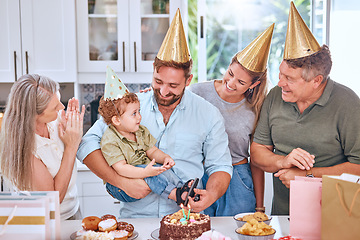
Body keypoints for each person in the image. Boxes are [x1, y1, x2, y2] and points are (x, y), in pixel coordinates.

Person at [77, 9, 232, 218]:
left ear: (188, 80)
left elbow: (220, 165)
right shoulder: (127, 107)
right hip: (136, 218)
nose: (164, 91)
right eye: (158, 82)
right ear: (153, 70)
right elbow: (87, 144)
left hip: (185, 218)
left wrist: (212, 193)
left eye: (173, 85)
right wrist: (121, 182)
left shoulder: (208, 114)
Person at [250, 2, 360, 215]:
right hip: (282, 217)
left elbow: (358, 166)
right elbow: (257, 152)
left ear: (316, 81)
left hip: (335, 217)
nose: (280, 82)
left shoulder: (348, 104)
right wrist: (283, 161)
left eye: (289, 78)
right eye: (280, 74)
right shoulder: (275, 96)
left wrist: (307, 175)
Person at [188, 24, 274, 216]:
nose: (231, 83)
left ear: (255, 84)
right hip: (200, 177)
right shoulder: (197, 93)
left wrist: (260, 207)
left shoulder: (256, 109)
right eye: (230, 73)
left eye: (241, 82)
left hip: (238, 181)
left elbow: (256, 161)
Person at [98, 66, 192, 204]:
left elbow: (152, 150)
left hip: (141, 173)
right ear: (116, 120)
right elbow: (121, 168)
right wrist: (145, 173)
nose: (139, 117)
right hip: (120, 186)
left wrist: (165, 158)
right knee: (149, 171)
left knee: (162, 169)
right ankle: (175, 195)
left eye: (139, 111)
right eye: (134, 114)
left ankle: (183, 188)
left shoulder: (140, 131)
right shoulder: (110, 140)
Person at [0, 74, 85, 220]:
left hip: (72, 210)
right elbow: (54, 199)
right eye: (54, 107)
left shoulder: (55, 120)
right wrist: (71, 146)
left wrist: (73, 132)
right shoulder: (26, 149)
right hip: (43, 221)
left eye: (59, 100)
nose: (61, 107)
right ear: (34, 114)